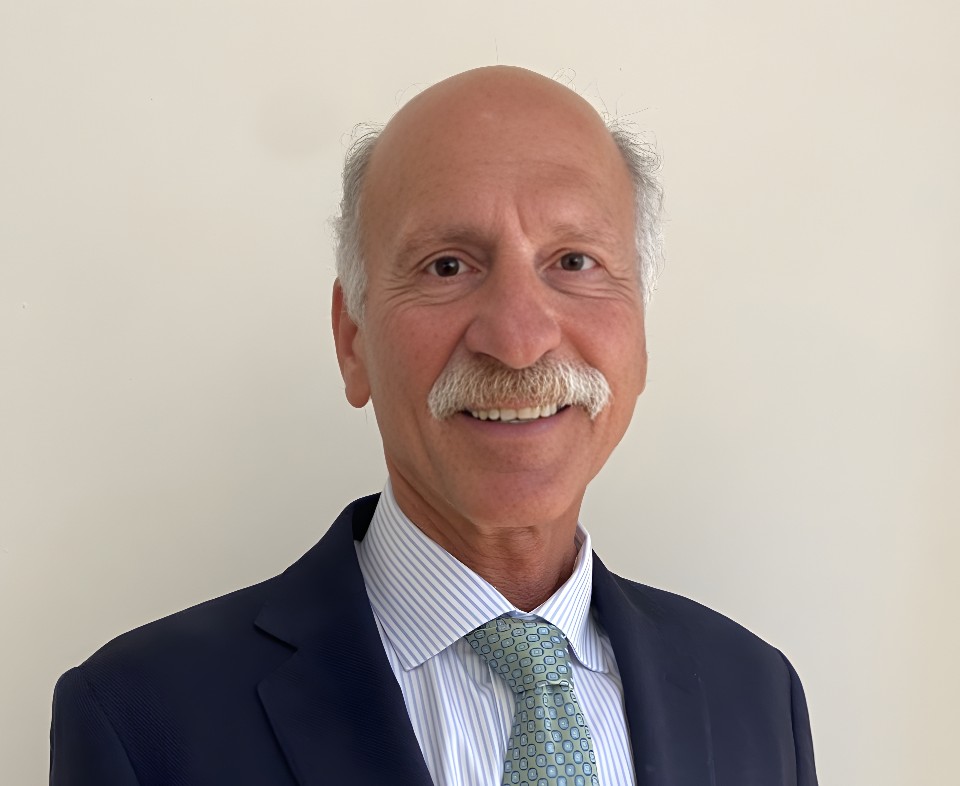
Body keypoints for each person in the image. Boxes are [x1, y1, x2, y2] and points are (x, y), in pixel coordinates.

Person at [50, 66, 818, 785]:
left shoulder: (755, 693)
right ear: (353, 340)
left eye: (574, 261)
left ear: (640, 333)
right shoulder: (140, 720)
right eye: (448, 265)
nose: (519, 340)